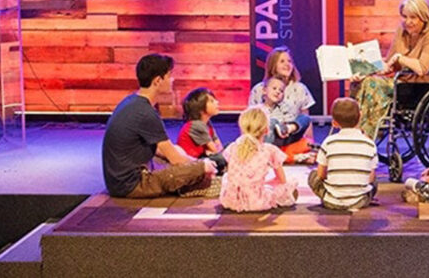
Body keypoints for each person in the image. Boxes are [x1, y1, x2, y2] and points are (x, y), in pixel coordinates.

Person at [102, 54, 217, 199]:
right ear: (158, 80)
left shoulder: (130, 101)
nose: (172, 80)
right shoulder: (145, 112)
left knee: (177, 152)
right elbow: (176, 159)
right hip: (133, 185)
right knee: (202, 167)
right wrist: (199, 166)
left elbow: (159, 149)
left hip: (116, 182)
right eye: (169, 76)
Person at [350, 0, 429, 138]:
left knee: (373, 85)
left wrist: (401, 58)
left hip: (422, 86)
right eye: (405, 16)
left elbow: (422, 68)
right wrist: (364, 70)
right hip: (402, 81)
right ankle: (354, 132)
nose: (408, 22)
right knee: (362, 82)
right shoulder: (402, 30)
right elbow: (389, 65)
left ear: (424, 17)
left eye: (413, 17)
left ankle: (368, 135)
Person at [219, 106, 298, 212]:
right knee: (289, 187)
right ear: (266, 130)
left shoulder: (232, 147)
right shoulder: (269, 150)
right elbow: (282, 180)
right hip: (256, 202)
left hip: (231, 200)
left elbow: (231, 174)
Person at [309, 98, 378, 210]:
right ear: (360, 117)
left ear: (334, 123)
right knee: (375, 181)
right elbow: (370, 178)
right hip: (360, 201)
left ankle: (334, 194)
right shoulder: (370, 144)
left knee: (312, 176)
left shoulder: (328, 142)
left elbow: (321, 174)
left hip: (331, 201)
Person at [248, 46, 316, 148]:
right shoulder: (259, 89)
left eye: (289, 61)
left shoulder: (300, 88)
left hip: (290, 135)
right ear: (273, 65)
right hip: (266, 137)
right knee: (271, 124)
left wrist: (311, 144)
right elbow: (249, 121)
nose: (287, 64)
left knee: (305, 119)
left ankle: (286, 131)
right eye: (282, 61)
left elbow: (306, 121)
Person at [257, 75, 315, 164]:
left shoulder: (285, 107)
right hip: (268, 142)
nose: (278, 92)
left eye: (281, 91)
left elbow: (291, 118)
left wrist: (288, 128)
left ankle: (287, 129)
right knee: (272, 122)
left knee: (305, 118)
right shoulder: (258, 109)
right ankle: (288, 157)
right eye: (274, 88)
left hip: (286, 137)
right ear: (264, 90)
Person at [177, 87, 227, 175]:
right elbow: (216, 150)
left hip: (202, 157)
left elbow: (219, 146)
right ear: (200, 109)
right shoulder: (196, 125)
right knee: (220, 159)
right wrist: (214, 153)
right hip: (191, 163)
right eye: (212, 101)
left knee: (230, 147)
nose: (217, 102)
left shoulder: (207, 123)